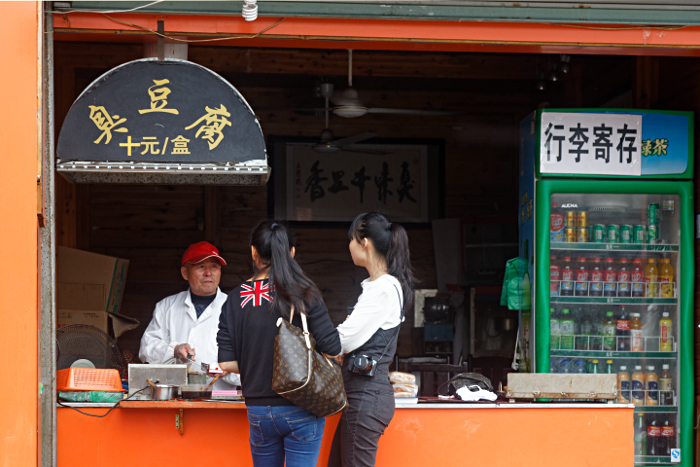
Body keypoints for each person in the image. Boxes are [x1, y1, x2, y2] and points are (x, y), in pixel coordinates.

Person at [217, 220, 342, 467]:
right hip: (302, 405)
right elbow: (332, 348)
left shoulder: (233, 299)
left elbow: (227, 362)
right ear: (292, 253)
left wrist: (258, 363)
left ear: (254, 252)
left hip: (258, 410)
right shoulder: (304, 292)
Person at [333, 212, 416, 467]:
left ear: (364, 242)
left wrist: (312, 338)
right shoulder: (377, 286)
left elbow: (343, 340)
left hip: (366, 394)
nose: (349, 246)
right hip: (362, 394)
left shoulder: (383, 288)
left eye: (351, 240)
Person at [139, 241, 240, 389]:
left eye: (214, 266)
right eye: (201, 267)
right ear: (185, 273)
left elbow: (253, 363)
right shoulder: (166, 307)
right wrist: (174, 350)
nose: (208, 273)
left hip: (219, 401)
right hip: (173, 399)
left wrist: (229, 369)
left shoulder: (236, 308)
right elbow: (147, 350)